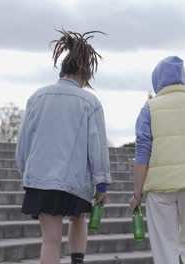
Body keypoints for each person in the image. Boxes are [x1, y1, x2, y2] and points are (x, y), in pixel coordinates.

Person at [15, 29, 111, 264]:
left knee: (50, 240)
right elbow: (96, 148)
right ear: (83, 71)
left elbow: (23, 144)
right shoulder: (90, 102)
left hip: (41, 179)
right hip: (75, 180)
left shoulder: (37, 97)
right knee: (78, 219)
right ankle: (77, 260)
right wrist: (101, 182)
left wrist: (27, 172)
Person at [128, 56, 185, 264]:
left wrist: (137, 194)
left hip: (160, 187)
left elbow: (142, 153)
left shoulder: (150, 108)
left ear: (157, 80)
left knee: (165, 246)